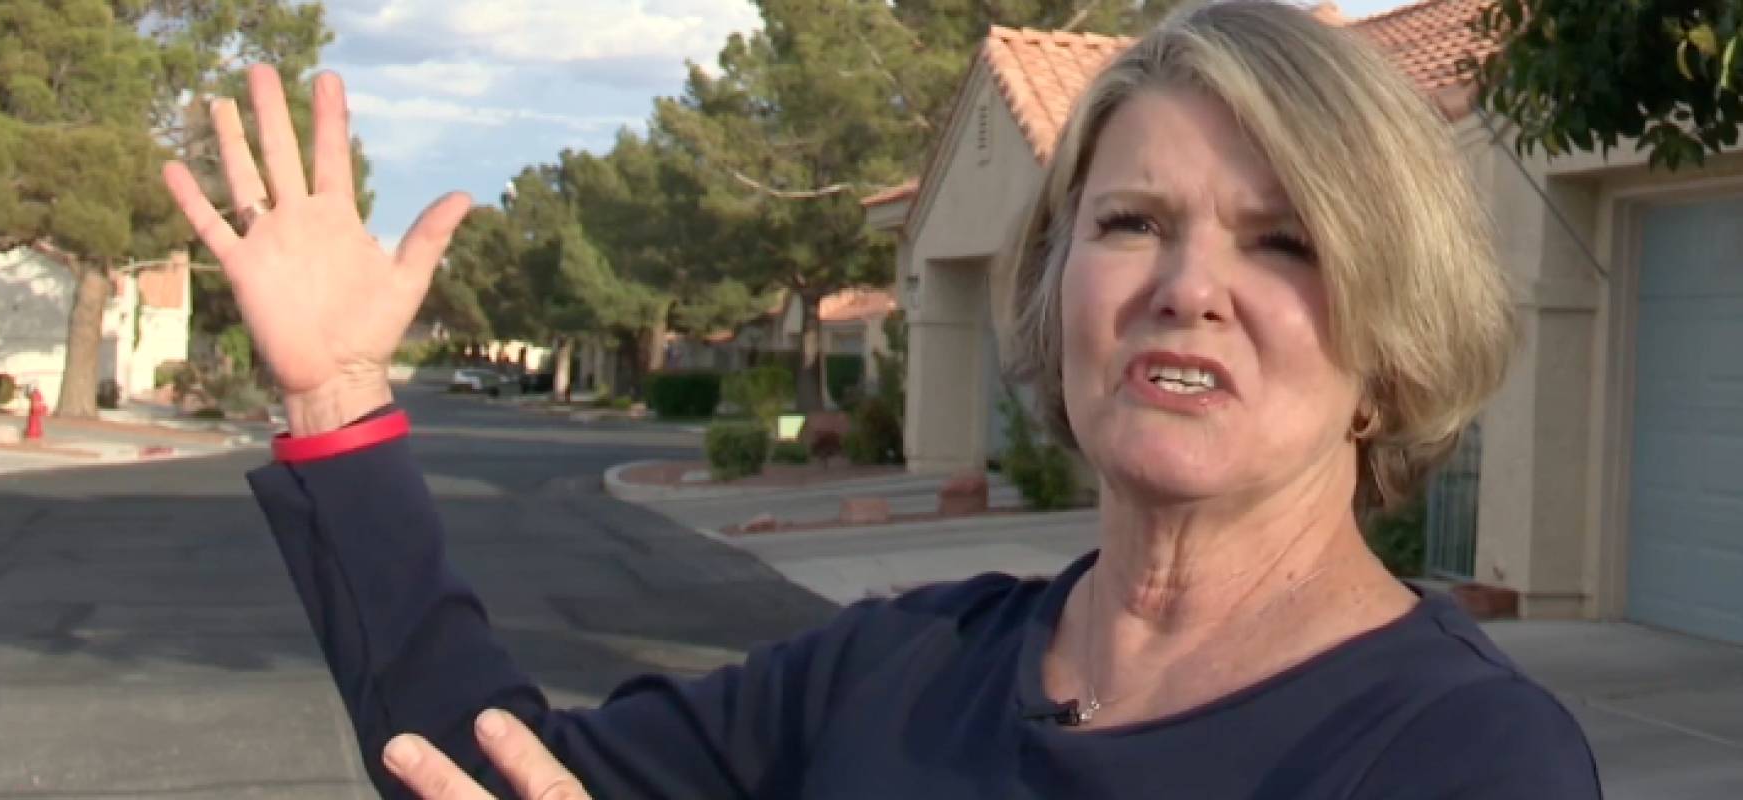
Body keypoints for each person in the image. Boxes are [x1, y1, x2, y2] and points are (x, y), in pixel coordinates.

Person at [161, 2, 1602, 798]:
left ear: (1393, 335)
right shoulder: (894, 672)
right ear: (1056, 287)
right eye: (1129, 223)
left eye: (1280, 239)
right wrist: (338, 397)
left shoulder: (1462, 759)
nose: (1188, 284)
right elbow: (486, 772)